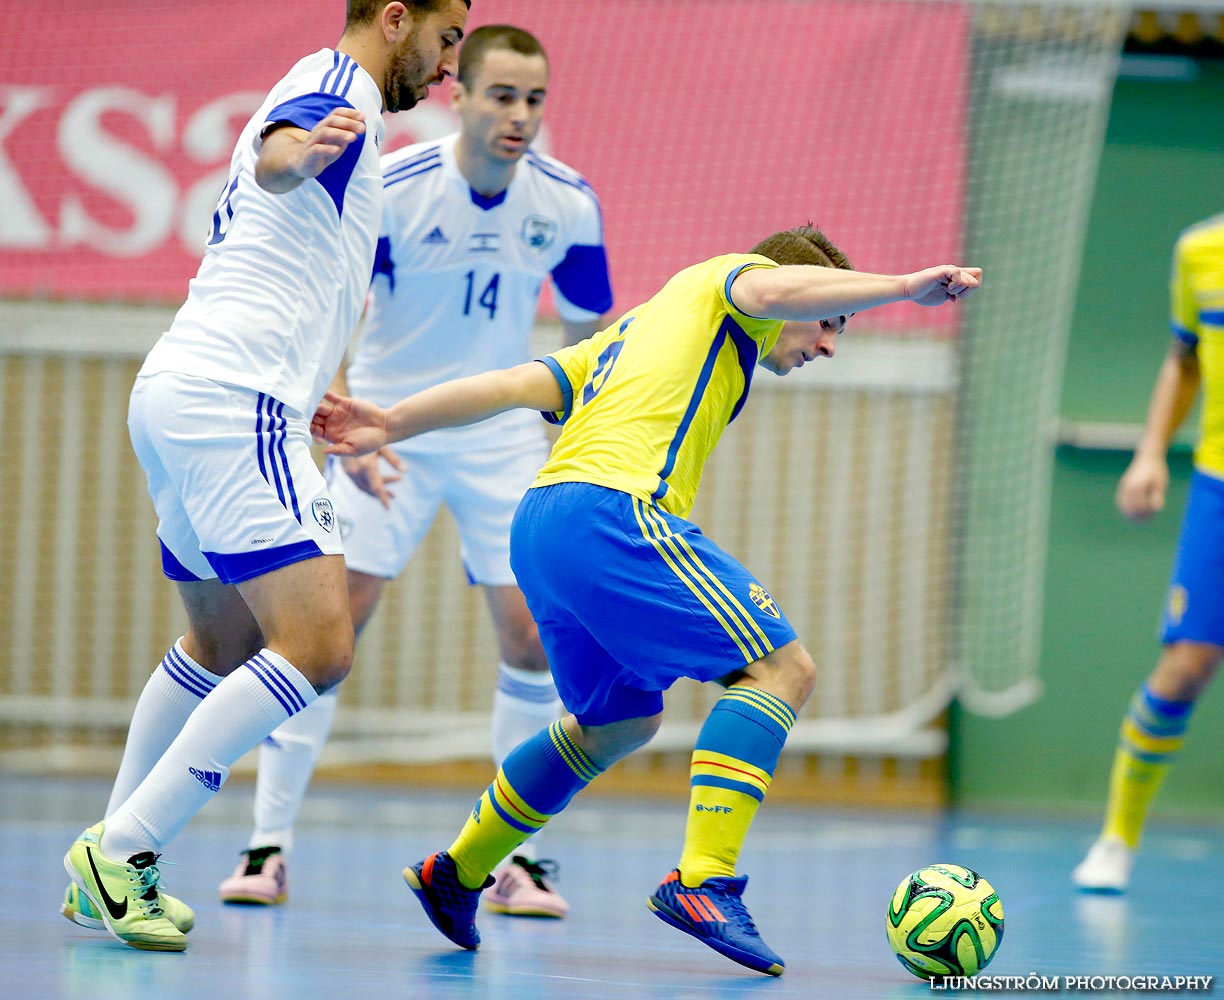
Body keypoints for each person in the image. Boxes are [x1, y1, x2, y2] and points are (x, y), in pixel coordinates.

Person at [311, 227, 981, 975]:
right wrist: (902, 287)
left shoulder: (633, 331)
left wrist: (392, 421)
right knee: (782, 670)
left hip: (538, 526)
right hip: (612, 514)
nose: (828, 346)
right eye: (832, 325)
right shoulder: (734, 282)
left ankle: (457, 871)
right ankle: (703, 881)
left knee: (618, 723)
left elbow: (507, 387)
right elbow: (773, 288)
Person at [59, 0, 471, 953]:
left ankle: (105, 861)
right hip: (234, 401)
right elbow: (279, 157)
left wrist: (327, 396)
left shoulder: (343, 113)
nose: (450, 65)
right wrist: (300, 154)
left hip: (181, 391)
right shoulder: (339, 89)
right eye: (449, 38)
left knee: (221, 643)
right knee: (319, 647)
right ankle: (124, 852)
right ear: (399, 20)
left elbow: (304, 271)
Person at [217, 23, 611, 920]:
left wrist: (572, 440)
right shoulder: (394, 186)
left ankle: (520, 862)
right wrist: (346, 412)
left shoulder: (568, 202)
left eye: (535, 99)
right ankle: (266, 845)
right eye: (502, 95)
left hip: (499, 439)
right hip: (385, 430)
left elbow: (592, 332)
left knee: (532, 638)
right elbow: (326, 301)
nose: (519, 115)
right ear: (460, 94)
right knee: (323, 638)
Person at [1073, 214, 1224, 894]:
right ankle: (1116, 837)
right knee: (1187, 665)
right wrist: (1151, 451)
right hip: (1219, 484)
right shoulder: (1200, 250)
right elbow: (1183, 358)